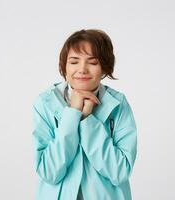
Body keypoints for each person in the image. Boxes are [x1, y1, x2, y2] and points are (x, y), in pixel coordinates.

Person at [32, 29, 137, 200]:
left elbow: (119, 172)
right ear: (64, 66)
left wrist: (87, 120)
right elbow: (49, 172)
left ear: (104, 67)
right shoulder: (45, 103)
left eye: (92, 62)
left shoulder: (118, 104)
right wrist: (72, 114)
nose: (82, 69)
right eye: (74, 61)